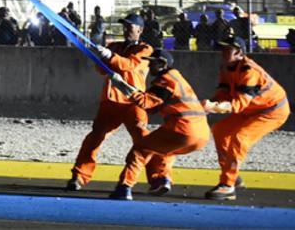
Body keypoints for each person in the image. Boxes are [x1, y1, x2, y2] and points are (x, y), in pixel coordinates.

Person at [66, 13, 153, 191]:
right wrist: (101, 55)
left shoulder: (145, 50)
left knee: (145, 141)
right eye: (125, 26)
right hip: (111, 100)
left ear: (140, 30)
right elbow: (101, 70)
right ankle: (80, 176)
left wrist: (109, 55)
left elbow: (129, 65)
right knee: (95, 137)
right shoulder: (115, 46)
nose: (126, 30)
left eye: (130, 27)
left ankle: (159, 178)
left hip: (134, 101)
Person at [109, 50, 209, 200]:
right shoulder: (177, 78)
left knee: (141, 149)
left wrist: (122, 85)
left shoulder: (166, 80)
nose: (149, 65)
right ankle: (162, 179)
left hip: (183, 128)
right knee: (165, 150)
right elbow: (155, 106)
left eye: (152, 62)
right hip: (202, 134)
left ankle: (125, 187)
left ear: (162, 64)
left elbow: (145, 102)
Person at [202, 36, 290, 200]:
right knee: (220, 130)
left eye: (227, 49)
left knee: (240, 138)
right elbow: (224, 93)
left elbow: (237, 105)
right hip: (253, 109)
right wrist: (212, 104)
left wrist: (213, 107)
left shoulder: (249, 72)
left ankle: (228, 185)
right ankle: (232, 175)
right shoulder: (226, 67)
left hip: (272, 112)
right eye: (222, 49)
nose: (222, 52)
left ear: (239, 53)